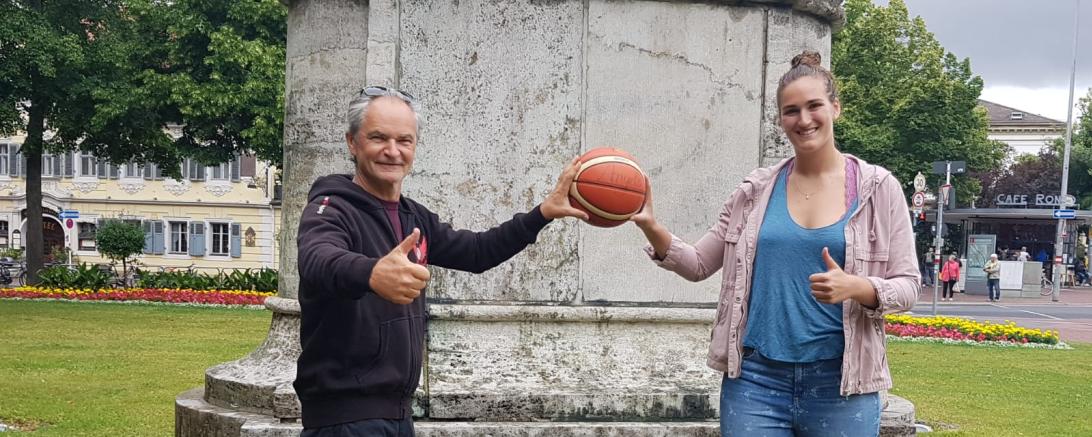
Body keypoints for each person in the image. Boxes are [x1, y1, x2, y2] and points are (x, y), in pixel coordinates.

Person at [630, 51, 919, 437]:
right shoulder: (755, 191)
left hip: (842, 383)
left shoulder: (878, 189)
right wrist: (650, 225)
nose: (804, 120)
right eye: (791, 110)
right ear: (780, 119)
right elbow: (698, 263)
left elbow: (909, 285)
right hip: (756, 382)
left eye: (814, 106)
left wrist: (859, 287)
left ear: (835, 107)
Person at [293, 86, 589, 436]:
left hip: (398, 417)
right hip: (344, 420)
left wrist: (542, 213)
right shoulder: (330, 208)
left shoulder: (414, 217)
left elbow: (478, 252)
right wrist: (372, 273)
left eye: (405, 140)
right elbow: (317, 259)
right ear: (352, 143)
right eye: (378, 138)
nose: (392, 151)